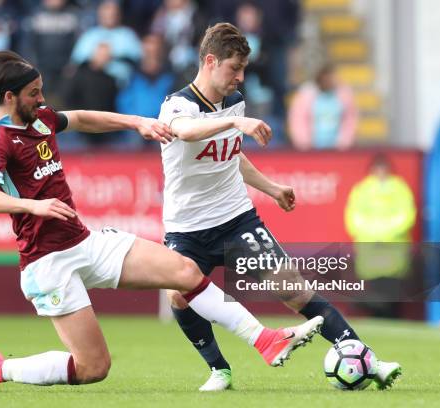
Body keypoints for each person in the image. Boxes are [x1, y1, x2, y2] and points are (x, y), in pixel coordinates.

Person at [0, 44, 324, 392]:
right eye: (33, 94)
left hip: (83, 242)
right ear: (9, 97)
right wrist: (34, 206)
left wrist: (136, 122)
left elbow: (83, 119)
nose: (42, 100)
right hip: (47, 262)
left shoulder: (39, 118)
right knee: (93, 367)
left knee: (186, 272)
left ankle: (266, 340)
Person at [158, 22, 400, 392]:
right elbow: (186, 132)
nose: (240, 77)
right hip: (186, 228)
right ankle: (219, 369)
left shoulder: (233, 102)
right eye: (233, 68)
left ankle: (366, 358)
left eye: (243, 69)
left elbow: (230, 156)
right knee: (178, 295)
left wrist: (270, 188)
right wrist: (236, 120)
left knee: (296, 292)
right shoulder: (177, 104)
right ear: (210, 61)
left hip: (236, 220)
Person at [345, 153, 417, 318]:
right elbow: (354, 217)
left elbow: (406, 214)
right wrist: (375, 232)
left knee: (393, 288)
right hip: (371, 248)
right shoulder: (362, 189)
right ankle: (374, 308)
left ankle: (375, 307)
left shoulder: (399, 188)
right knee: (377, 286)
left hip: (393, 247)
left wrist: (385, 232)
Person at [288, 63, 358, 150]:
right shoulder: (306, 94)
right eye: (326, 78)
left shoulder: (343, 94)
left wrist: (344, 143)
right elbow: (298, 119)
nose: (328, 81)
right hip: (311, 149)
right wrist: (304, 143)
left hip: (338, 150)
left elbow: (350, 120)